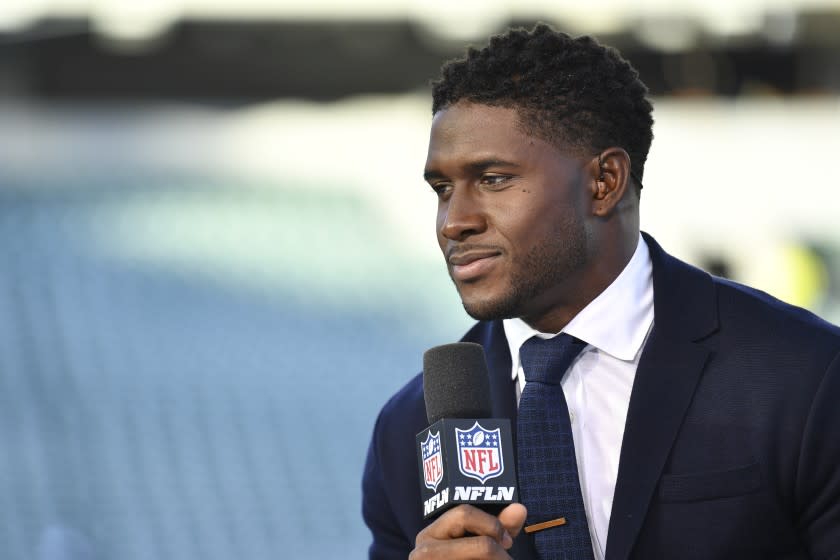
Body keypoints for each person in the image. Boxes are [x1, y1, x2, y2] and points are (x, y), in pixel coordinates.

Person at [361, 24, 840, 560]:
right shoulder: (408, 430)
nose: (454, 221)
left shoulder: (805, 375)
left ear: (604, 181)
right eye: (443, 189)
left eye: (493, 179)